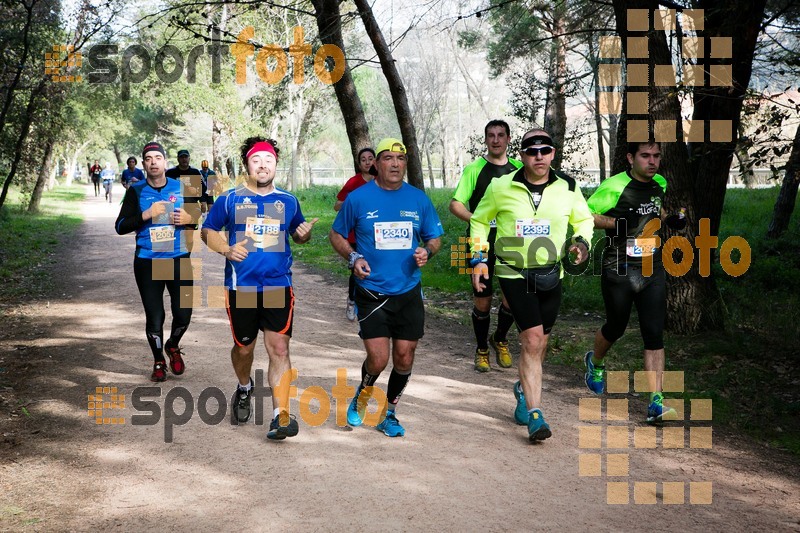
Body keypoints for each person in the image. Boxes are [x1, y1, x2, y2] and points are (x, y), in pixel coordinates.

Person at [470, 128, 593, 442]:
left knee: (540, 345)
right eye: (531, 150)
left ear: (552, 154)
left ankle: (523, 389)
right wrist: (479, 257)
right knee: (533, 342)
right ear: (522, 155)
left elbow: (584, 219)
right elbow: (480, 220)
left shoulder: (568, 186)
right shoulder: (501, 186)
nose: (539, 156)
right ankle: (536, 416)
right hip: (514, 272)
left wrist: (581, 242)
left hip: (552, 274)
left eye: (545, 150)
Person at [202, 137, 318, 441]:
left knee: (279, 348)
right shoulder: (230, 199)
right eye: (256, 160)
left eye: (268, 159)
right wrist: (226, 249)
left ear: (276, 164)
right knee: (244, 348)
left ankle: (282, 416)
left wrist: (304, 234)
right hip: (242, 288)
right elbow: (208, 231)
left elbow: (298, 234)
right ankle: (244, 388)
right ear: (247, 165)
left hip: (279, 285)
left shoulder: (289, 201)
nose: (263, 164)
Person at [330, 138, 444, 438]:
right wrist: (353, 256)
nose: (395, 164)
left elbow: (434, 237)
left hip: (408, 291)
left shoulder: (418, 199)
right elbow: (336, 234)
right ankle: (363, 394)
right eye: (388, 158)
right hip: (371, 291)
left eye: (400, 158)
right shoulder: (359, 198)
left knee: (405, 356)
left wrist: (427, 252)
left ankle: (389, 412)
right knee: (379, 358)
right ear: (375, 164)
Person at [584, 141, 686, 423]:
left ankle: (656, 402)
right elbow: (585, 215)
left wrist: (671, 219)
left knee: (653, 334)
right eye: (645, 156)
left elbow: (654, 210)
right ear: (630, 158)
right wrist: (616, 223)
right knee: (615, 327)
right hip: (618, 267)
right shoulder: (614, 186)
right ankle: (596, 362)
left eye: (656, 156)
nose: (652, 161)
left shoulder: (660, 183)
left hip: (652, 267)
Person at [114, 142, 197, 382]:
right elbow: (120, 226)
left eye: (157, 157)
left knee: (183, 315)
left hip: (178, 258)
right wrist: (145, 215)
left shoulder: (181, 188)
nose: (153, 162)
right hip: (148, 261)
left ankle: (172, 345)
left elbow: (196, 220)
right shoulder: (136, 191)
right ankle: (158, 360)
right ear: (143, 164)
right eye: (148, 158)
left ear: (165, 161)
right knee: (155, 316)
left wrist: (188, 219)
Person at [450, 120, 522, 372]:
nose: (495, 140)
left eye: (500, 135)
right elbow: (455, 204)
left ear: (509, 139)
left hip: (511, 242)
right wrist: (478, 219)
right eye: (490, 135)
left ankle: (499, 339)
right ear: (486, 139)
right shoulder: (474, 169)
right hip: (480, 241)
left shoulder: (519, 169)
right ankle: (481, 348)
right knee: (483, 298)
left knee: (512, 297)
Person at [334, 147, 376, 321]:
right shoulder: (353, 182)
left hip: (376, 234)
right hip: (355, 236)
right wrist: (353, 204)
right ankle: (352, 300)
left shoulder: (382, 180)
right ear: (359, 164)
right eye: (363, 159)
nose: (367, 162)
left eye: (370, 158)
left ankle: (373, 301)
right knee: (357, 268)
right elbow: (337, 205)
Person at [166, 149, 214, 214]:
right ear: (178, 159)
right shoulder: (170, 173)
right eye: (181, 157)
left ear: (189, 158)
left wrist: (205, 201)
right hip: (174, 204)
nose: (184, 159)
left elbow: (203, 189)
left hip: (191, 206)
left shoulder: (195, 172)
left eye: (186, 157)